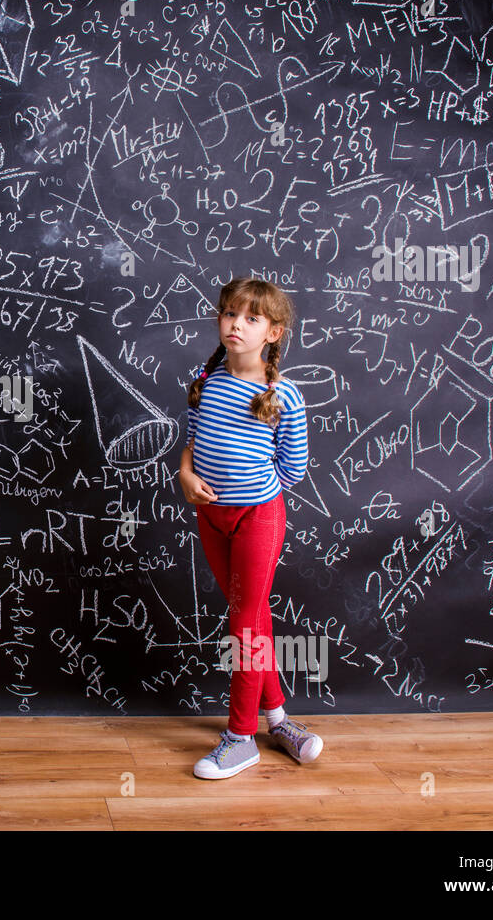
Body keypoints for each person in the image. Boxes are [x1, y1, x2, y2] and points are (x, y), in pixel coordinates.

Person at [177, 276, 322, 779]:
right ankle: (279, 721)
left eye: (251, 318)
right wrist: (186, 474)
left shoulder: (282, 395)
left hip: (258, 517)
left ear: (274, 333)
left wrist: (253, 496)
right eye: (229, 314)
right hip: (210, 517)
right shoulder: (208, 381)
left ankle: (241, 738)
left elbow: (293, 468)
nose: (236, 324)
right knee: (253, 620)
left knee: (243, 627)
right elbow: (192, 440)